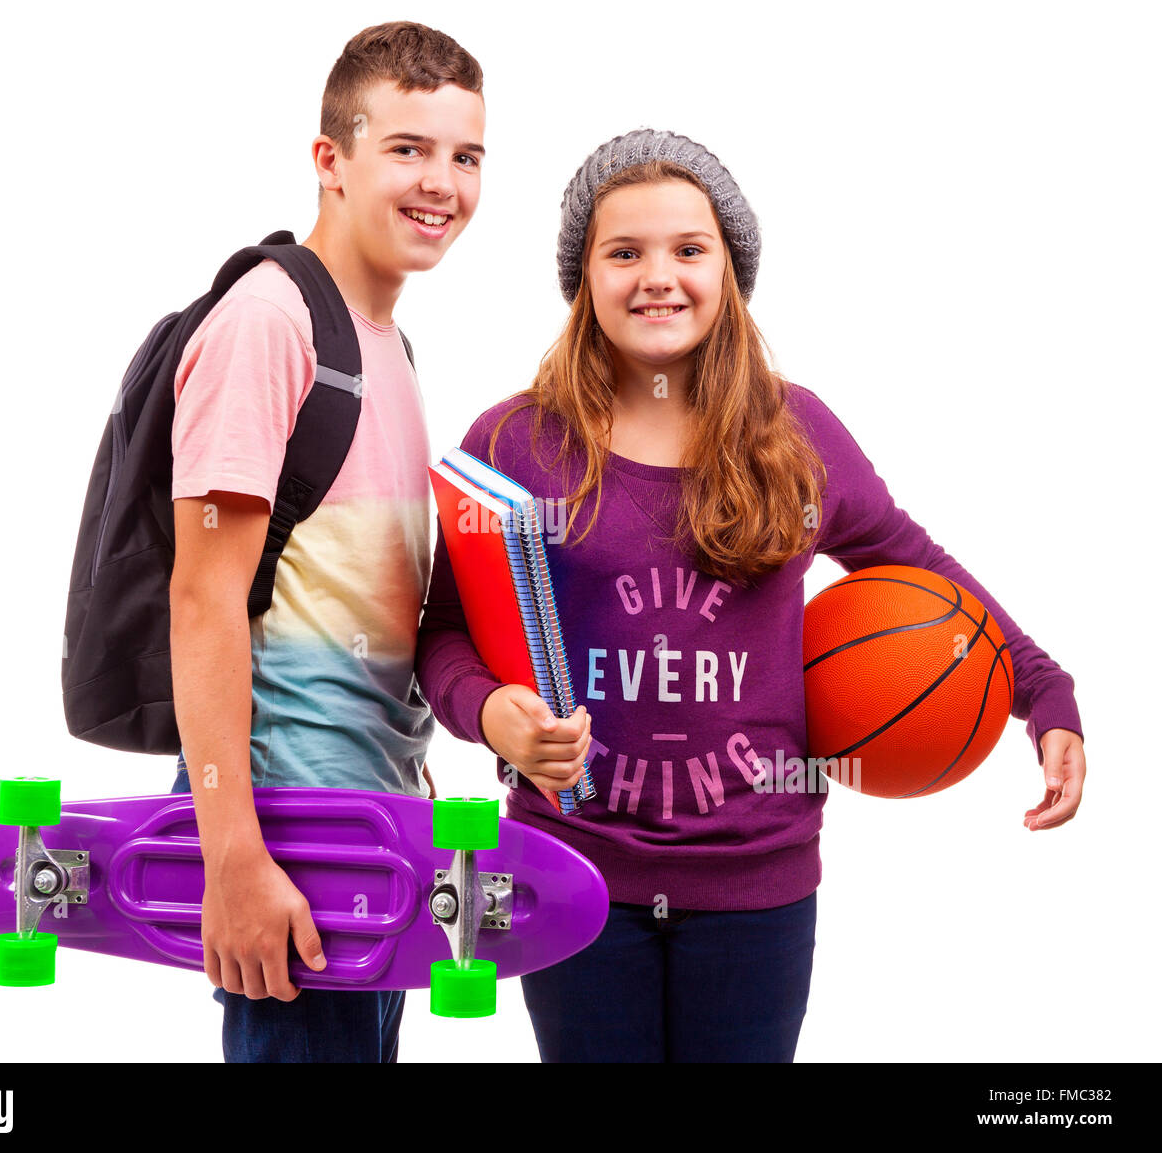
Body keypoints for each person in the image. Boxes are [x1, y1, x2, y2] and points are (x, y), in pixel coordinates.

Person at [415, 128, 1087, 1063]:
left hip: (757, 883)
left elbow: (911, 560)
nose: (659, 276)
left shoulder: (793, 430)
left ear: (730, 269)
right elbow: (444, 628)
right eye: (625, 252)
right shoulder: (515, 442)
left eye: (690, 250)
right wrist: (492, 713)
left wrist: (1042, 690)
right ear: (583, 276)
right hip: (568, 871)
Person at [168, 21, 485, 1063]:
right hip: (291, 836)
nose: (440, 182)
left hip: (373, 826)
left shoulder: (387, 342)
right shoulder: (271, 322)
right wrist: (233, 858)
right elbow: (201, 598)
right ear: (330, 161)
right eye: (407, 148)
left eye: (464, 155)